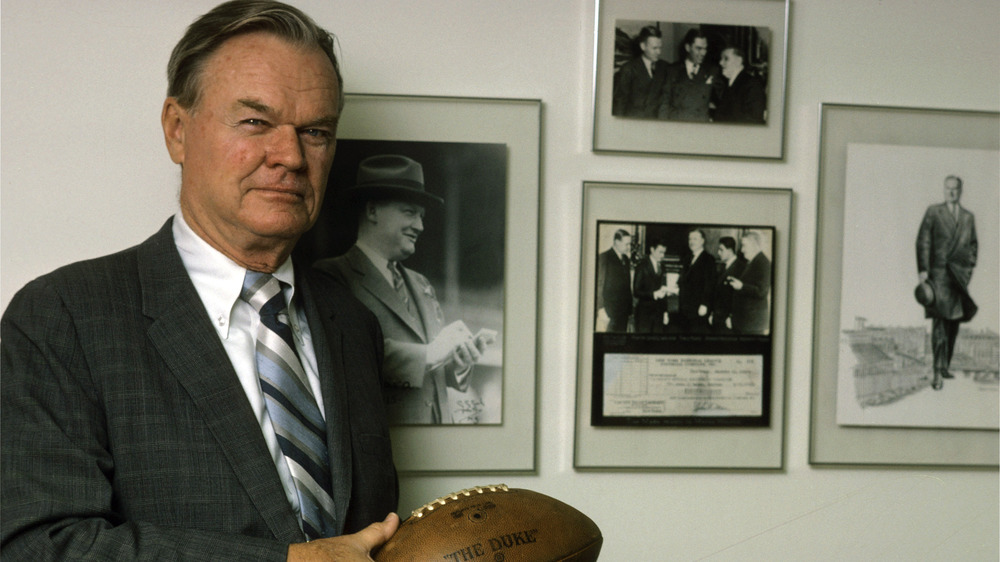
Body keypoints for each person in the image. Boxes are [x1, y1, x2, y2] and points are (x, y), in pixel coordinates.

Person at [0, 2, 399, 560]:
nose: (289, 156)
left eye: (315, 131)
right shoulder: (62, 317)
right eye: (255, 121)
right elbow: (40, 547)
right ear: (177, 130)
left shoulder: (353, 322)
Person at [315, 154, 493, 424]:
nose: (420, 226)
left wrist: (458, 362)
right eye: (410, 212)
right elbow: (346, 355)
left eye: (421, 216)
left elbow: (430, 371)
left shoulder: (422, 284)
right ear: (373, 210)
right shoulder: (331, 276)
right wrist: (432, 353)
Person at [916, 175, 978, 390]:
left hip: (958, 280)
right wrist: (923, 269)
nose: (951, 192)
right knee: (940, 327)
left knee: (953, 326)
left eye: (955, 189)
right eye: (948, 189)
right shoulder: (934, 212)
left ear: (960, 191)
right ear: (944, 190)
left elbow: (972, 247)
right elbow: (923, 240)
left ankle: (944, 366)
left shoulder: (968, 217)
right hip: (938, 278)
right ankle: (936, 371)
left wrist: (967, 272)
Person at [661, 28, 721, 121]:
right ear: (688, 48)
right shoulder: (672, 70)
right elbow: (664, 104)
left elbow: (723, 100)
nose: (703, 53)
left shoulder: (712, 70)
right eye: (698, 48)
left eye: (705, 48)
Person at [612, 25, 669, 118]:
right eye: (654, 48)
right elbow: (619, 104)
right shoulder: (628, 69)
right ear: (643, 46)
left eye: (660, 48)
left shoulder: (665, 67)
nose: (659, 52)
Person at [729, 231, 772, 335]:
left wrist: (741, 286)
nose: (742, 250)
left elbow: (762, 291)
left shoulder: (763, 263)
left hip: (752, 325)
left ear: (754, 245)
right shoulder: (752, 262)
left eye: (744, 246)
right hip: (745, 323)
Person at [675, 229, 715, 333]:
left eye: (695, 239)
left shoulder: (709, 259)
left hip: (698, 308)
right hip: (684, 308)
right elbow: (683, 279)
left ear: (702, 241)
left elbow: (710, 284)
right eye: (690, 239)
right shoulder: (687, 258)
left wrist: (705, 304)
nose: (691, 242)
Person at [713, 46, 766, 124]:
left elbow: (754, 120)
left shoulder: (752, 84)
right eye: (721, 59)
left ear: (738, 61)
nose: (720, 63)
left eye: (726, 59)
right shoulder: (729, 83)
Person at [597, 229, 633, 332]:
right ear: (617, 242)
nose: (629, 247)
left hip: (624, 312)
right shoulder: (604, 257)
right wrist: (601, 309)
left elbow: (627, 285)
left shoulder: (626, 259)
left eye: (629, 244)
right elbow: (599, 285)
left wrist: (629, 310)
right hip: (609, 312)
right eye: (627, 244)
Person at [710, 236, 747, 332]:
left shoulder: (741, 268)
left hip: (728, 321)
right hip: (719, 318)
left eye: (721, 250)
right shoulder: (723, 267)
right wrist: (712, 313)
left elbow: (739, 297)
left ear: (730, 250)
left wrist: (732, 317)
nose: (718, 253)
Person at [633, 239, 670, 333]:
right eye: (660, 252)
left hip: (659, 313)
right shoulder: (641, 266)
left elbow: (664, 289)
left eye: (664, 253)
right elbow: (636, 291)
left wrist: (665, 312)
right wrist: (653, 294)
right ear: (652, 250)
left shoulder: (662, 267)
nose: (663, 256)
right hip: (644, 314)